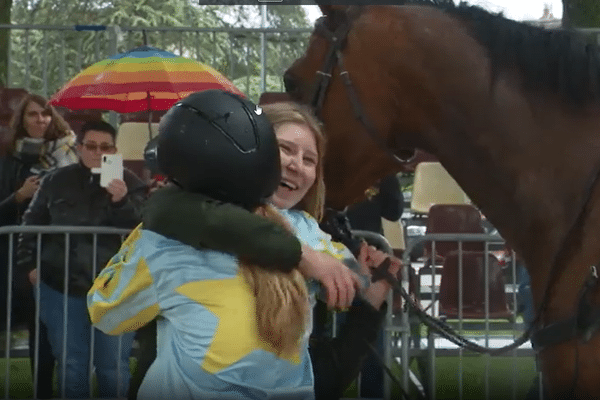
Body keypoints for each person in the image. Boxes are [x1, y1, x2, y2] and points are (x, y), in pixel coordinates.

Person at [115, 97, 401, 399]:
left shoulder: (319, 242)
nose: (296, 164)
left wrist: (372, 299)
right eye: (286, 149)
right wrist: (300, 255)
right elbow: (168, 208)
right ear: (250, 151)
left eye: (309, 159)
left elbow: (322, 378)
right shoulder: (180, 221)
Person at [17, 119, 146, 398]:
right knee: (72, 364)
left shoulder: (131, 183)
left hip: (115, 289)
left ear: (114, 149)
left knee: (112, 367)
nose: (98, 152)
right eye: (91, 146)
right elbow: (29, 225)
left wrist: (121, 201)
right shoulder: (55, 181)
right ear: (78, 148)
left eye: (105, 147)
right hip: (60, 284)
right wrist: (30, 267)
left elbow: (143, 229)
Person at [0, 93, 78, 398]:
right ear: (22, 120)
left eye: (45, 114)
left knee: (51, 325)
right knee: (35, 320)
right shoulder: (11, 160)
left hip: (59, 251)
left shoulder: (69, 153)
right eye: (33, 115)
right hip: (17, 255)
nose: (40, 120)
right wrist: (19, 196)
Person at [345, 173, 403, 399]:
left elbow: (393, 211)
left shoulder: (380, 170)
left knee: (372, 349)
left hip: (370, 265)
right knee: (319, 343)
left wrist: (388, 173)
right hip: (328, 263)